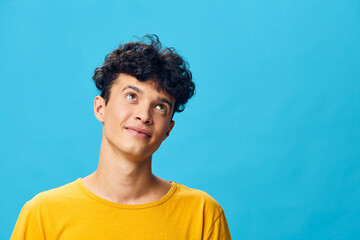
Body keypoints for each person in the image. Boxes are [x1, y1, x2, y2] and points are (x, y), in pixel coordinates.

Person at [10, 34, 232, 240]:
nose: (144, 115)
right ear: (100, 108)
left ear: (168, 129)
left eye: (160, 107)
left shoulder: (203, 214)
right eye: (132, 96)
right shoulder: (42, 214)